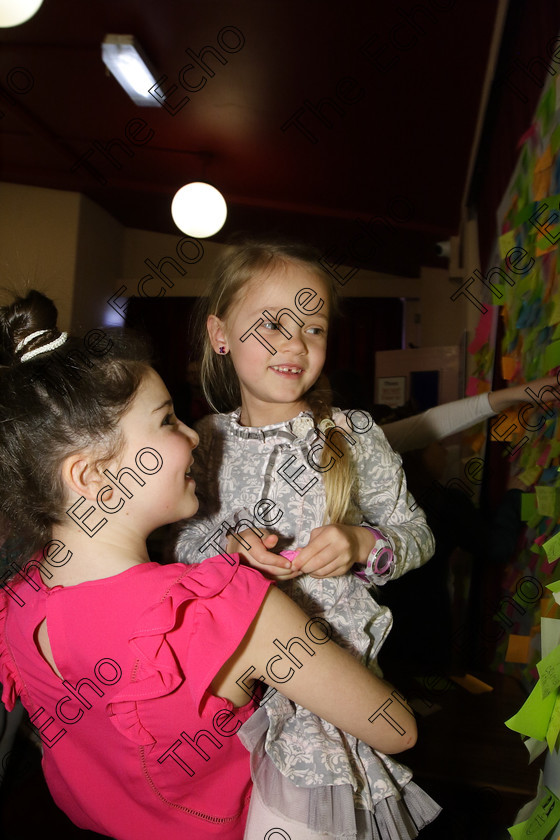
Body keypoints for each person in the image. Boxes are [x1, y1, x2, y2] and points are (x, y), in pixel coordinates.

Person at [0, 291, 420, 840]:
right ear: (92, 475)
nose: (195, 435)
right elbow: (396, 729)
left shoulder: (18, 598)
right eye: (168, 420)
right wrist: (279, 615)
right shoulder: (221, 607)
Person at [175, 241, 440, 839]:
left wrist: (362, 543)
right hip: (225, 686)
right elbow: (173, 547)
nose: (295, 343)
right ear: (221, 333)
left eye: (312, 326)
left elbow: (417, 534)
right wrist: (225, 554)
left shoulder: (354, 435)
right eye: (272, 324)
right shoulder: (197, 442)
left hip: (328, 699)